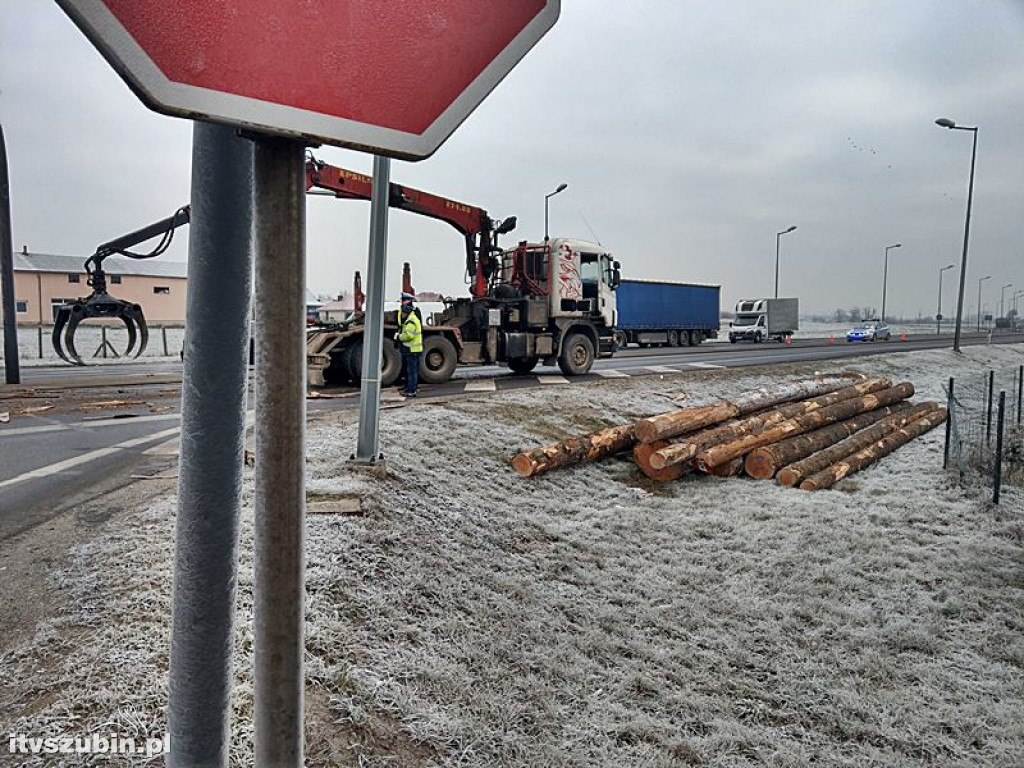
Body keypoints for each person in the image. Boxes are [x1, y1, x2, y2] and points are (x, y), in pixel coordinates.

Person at [397, 292, 423, 397]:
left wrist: (399, 337)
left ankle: (411, 390)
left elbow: (410, 334)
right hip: (409, 346)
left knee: (411, 371)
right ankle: (410, 387)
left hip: (412, 347)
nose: (402, 303)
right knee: (410, 370)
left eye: (404, 300)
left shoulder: (413, 316)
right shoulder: (408, 314)